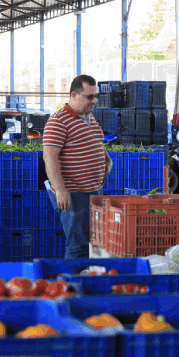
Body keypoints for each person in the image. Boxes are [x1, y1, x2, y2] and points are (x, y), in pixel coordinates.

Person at [43, 75, 111, 259]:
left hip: (94, 190)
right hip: (74, 193)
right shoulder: (59, 121)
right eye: (89, 97)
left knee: (94, 244)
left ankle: (87, 281)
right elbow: (50, 157)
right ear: (74, 95)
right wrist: (61, 190)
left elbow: (96, 141)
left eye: (96, 96)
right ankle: (72, 285)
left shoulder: (89, 117)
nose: (94, 101)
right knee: (78, 247)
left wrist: (106, 159)